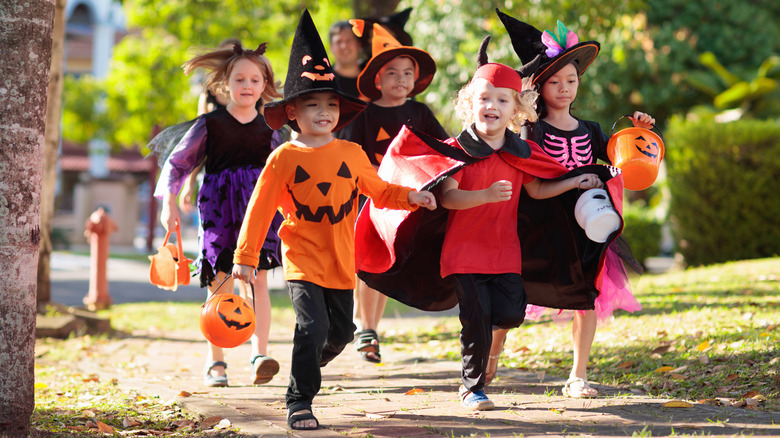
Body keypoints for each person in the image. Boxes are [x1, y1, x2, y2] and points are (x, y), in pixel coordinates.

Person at [231, 10, 437, 431]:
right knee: (313, 325)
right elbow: (260, 208)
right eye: (311, 105)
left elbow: (379, 190)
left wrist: (412, 196)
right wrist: (245, 257)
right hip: (303, 260)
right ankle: (299, 400)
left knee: (340, 333)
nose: (323, 112)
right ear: (292, 112)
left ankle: (302, 367)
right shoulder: (285, 158)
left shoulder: (351, 155)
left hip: (343, 261)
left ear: (340, 113)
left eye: (329, 105)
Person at [488, 10, 650, 397]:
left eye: (571, 80)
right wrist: (574, 179)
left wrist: (638, 132)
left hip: (585, 229)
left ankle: (578, 375)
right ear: (538, 87)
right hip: (539, 227)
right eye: (555, 81)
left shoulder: (592, 130)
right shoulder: (531, 130)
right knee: (514, 297)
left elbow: (624, 165)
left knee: (586, 296)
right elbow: (530, 184)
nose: (564, 88)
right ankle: (490, 356)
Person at [154, 41, 284, 388]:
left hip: (258, 211)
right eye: (239, 79)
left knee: (258, 280)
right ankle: (217, 362)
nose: (247, 86)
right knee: (220, 282)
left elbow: (286, 172)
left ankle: (260, 354)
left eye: (255, 80)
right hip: (217, 210)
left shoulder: (272, 128)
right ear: (225, 83)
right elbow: (178, 164)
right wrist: (168, 204)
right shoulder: (209, 125)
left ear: (264, 85)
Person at [336, 23, 448, 363]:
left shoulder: (421, 113)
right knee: (369, 260)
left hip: (406, 201)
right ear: (377, 79)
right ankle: (364, 325)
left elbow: (442, 150)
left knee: (385, 263)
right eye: (392, 73)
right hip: (370, 198)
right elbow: (349, 154)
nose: (400, 79)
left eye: (407, 73)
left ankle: (368, 326)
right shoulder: (365, 113)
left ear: (415, 80)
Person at [328, 21, 363, 99]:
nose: (344, 46)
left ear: (358, 45)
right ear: (331, 48)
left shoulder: (373, 79)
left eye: (349, 40)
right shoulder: (325, 82)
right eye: (338, 42)